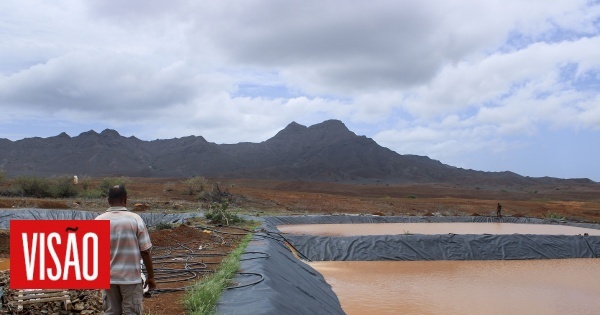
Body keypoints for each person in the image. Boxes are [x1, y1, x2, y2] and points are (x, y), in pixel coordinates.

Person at [95, 185, 156, 315]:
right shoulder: (135, 219)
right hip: (131, 279)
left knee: (111, 312)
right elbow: (145, 251)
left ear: (108, 200)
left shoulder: (98, 221)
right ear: (126, 199)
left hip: (108, 279)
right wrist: (151, 276)